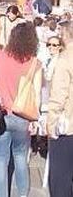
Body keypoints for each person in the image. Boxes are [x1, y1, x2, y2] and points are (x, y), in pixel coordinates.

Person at [0, 22, 42, 197]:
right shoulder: (35, 63)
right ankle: (22, 194)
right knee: (21, 157)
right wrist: (36, 120)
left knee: (1, 158)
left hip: (2, 114)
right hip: (23, 116)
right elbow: (36, 94)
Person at [47, 22, 73, 197]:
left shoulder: (65, 59)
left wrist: (51, 122)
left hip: (67, 124)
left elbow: (58, 95)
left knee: (60, 176)